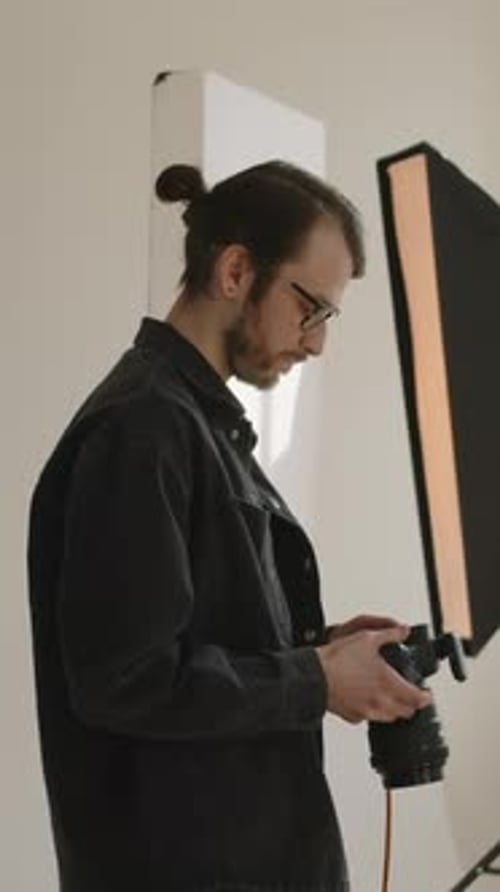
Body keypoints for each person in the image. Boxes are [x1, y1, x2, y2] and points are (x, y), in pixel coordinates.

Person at [28, 160, 431, 892]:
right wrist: (313, 678)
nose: (316, 344)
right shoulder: (144, 430)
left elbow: (200, 642)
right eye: (312, 308)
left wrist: (320, 651)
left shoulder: (195, 428)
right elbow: (128, 679)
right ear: (238, 271)